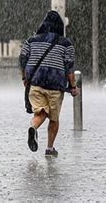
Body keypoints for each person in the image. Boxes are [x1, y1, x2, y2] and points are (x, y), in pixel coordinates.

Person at [19, 10, 78, 156]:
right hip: (55, 86)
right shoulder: (66, 44)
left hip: (36, 83)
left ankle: (33, 127)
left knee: (41, 112)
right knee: (53, 118)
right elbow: (69, 68)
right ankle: (50, 148)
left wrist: (25, 78)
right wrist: (73, 87)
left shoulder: (31, 40)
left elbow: (22, 59)